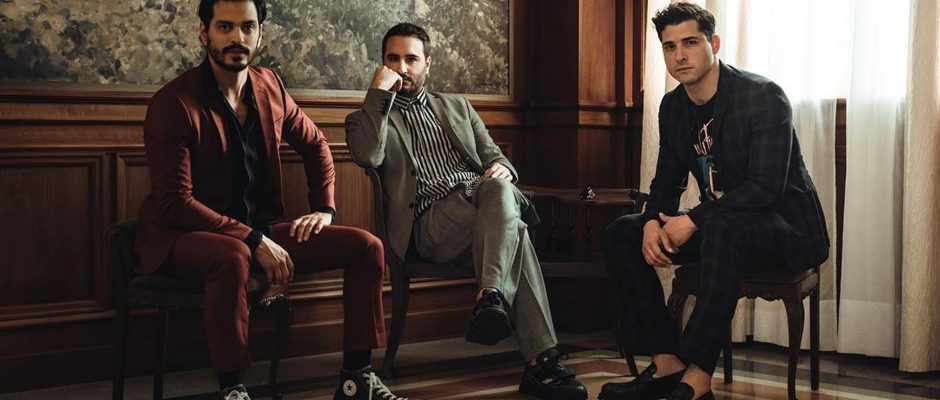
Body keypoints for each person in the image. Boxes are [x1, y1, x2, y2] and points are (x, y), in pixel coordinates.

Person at [135, 1, 407, 399]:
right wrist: (253, 239)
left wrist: (324, 209)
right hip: (182, 236)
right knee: (232, 256)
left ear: (260, 33)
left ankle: (356, 381)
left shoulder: (270, 85)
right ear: (203, 32)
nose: (237, 37)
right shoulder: (173, 102)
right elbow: (176, 203)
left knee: (366, 246)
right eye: (225, 27)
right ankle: (233, 390)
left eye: (248, 27)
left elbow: (315, 144)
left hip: (256, 233)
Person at [345, 22, 588, 400]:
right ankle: (540, 360)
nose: (402, 68)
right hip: (427, 224)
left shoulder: (457, 106)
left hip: (481, 209)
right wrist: (378, 96)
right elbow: (368, 156)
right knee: (514, 226)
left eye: (411, 59)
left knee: (503, 197)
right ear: (382, 64)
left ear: (428, 63)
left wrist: (503, 168)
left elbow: (496, 157)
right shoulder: (365, 118)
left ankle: (493, 300)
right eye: (393, 59)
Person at [601, 3, 830, 400]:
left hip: (787, 228)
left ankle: (697, 378)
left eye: (690, 42)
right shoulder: (673, 106)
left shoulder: (763, 96)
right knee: (624, 232)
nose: (680, 55)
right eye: (670, 46)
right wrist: (652, 221)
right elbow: (666, 181)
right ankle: (666, 362)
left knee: (720, 226)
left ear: (715, 43)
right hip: (725, 224)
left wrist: (694, 220)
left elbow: (766, 187)